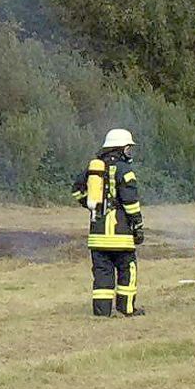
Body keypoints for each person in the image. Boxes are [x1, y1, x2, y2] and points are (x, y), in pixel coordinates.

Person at [72, 129, 145, 317]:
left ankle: (102, 313)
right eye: (128, 149)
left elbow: (76, 191)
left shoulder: (94, 167)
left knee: (102, 274)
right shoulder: (124, 170)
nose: (129, 153)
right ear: (120, 149)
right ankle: (126, 308)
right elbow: (130, 202)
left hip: (97, 235)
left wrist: (92, 205)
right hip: (120, 235)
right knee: (127, 269)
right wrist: (137, 226)